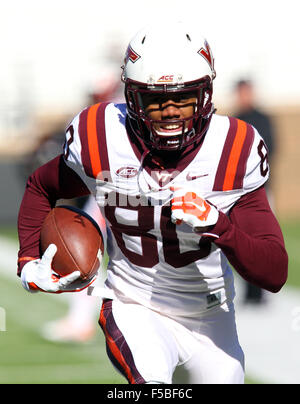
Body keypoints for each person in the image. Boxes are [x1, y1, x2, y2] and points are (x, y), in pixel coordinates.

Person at [17, 22, 288, 384]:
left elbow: (273, 273)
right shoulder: (100, 135)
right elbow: (40, 186)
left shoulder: (234, 149)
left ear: (206, 95)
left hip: (210, 314)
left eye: (184, 98)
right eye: (156, 100)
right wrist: (28, 261)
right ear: (132, 97)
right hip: (135, 303)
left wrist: (219, 227)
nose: (171, 112)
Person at [233, 79, 277, 305]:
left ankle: (260, 290)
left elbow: (272, 148)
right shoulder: (234, 121)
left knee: (262, 240)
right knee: (244, 241)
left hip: (260, 188)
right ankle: (249, 291)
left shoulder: (263, 118)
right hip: (238, 192)